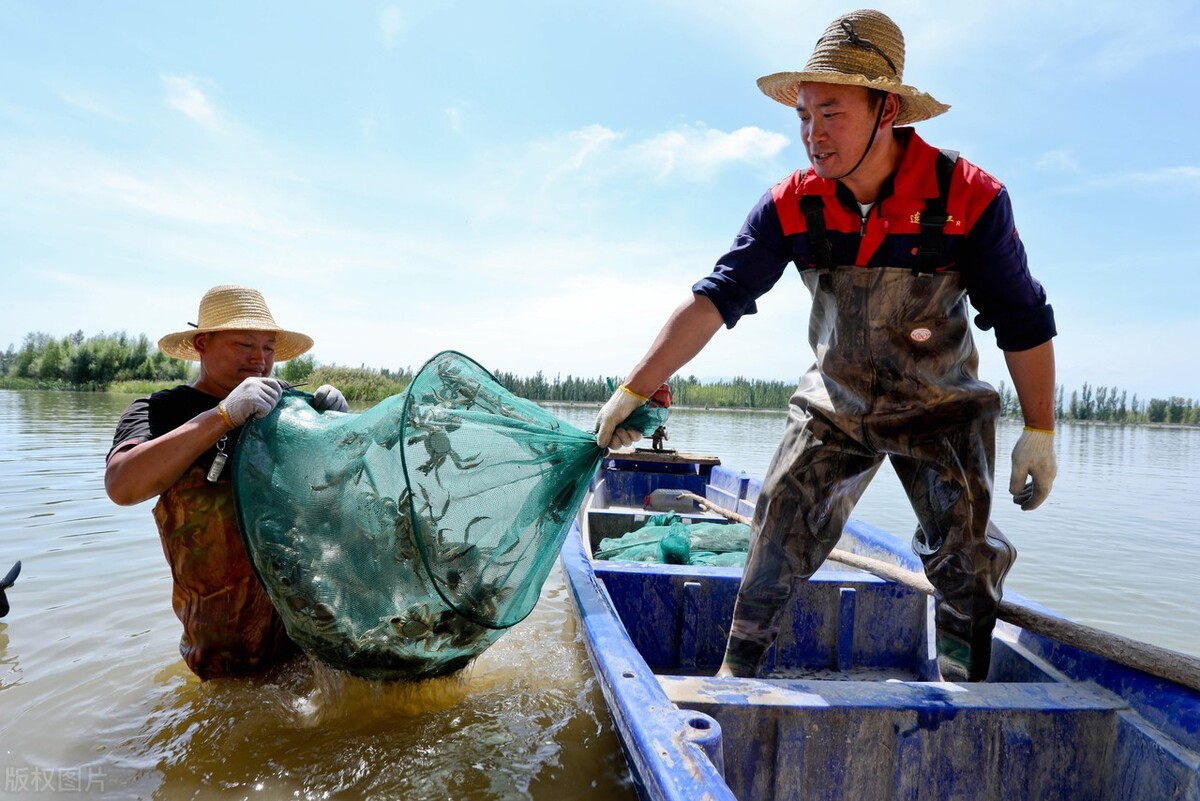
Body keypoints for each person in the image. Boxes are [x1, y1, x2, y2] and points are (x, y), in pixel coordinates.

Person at [594, 9, 1057, 682]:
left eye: (831, 113)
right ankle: (735, 682)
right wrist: (634, 386)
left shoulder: (970, 198)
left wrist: (1039, 428)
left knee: (967, 558)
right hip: (835, 405)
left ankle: (964, 698)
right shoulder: (792, 203)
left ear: (887, 110)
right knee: (774, 536)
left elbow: (1023, 318)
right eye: (804, 116)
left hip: (940, 408)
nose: (813, 135)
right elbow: (715, 299)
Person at [105, 285, 350, 680]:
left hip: (307, 626)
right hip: (223, 644)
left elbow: (331, 492)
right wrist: (222, 416)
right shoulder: (161, 410)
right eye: (244, 345)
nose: (260, 359)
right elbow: (122, 485)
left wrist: (334, 427)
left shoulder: (284, 403)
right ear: (202, 343)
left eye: (269, 348)